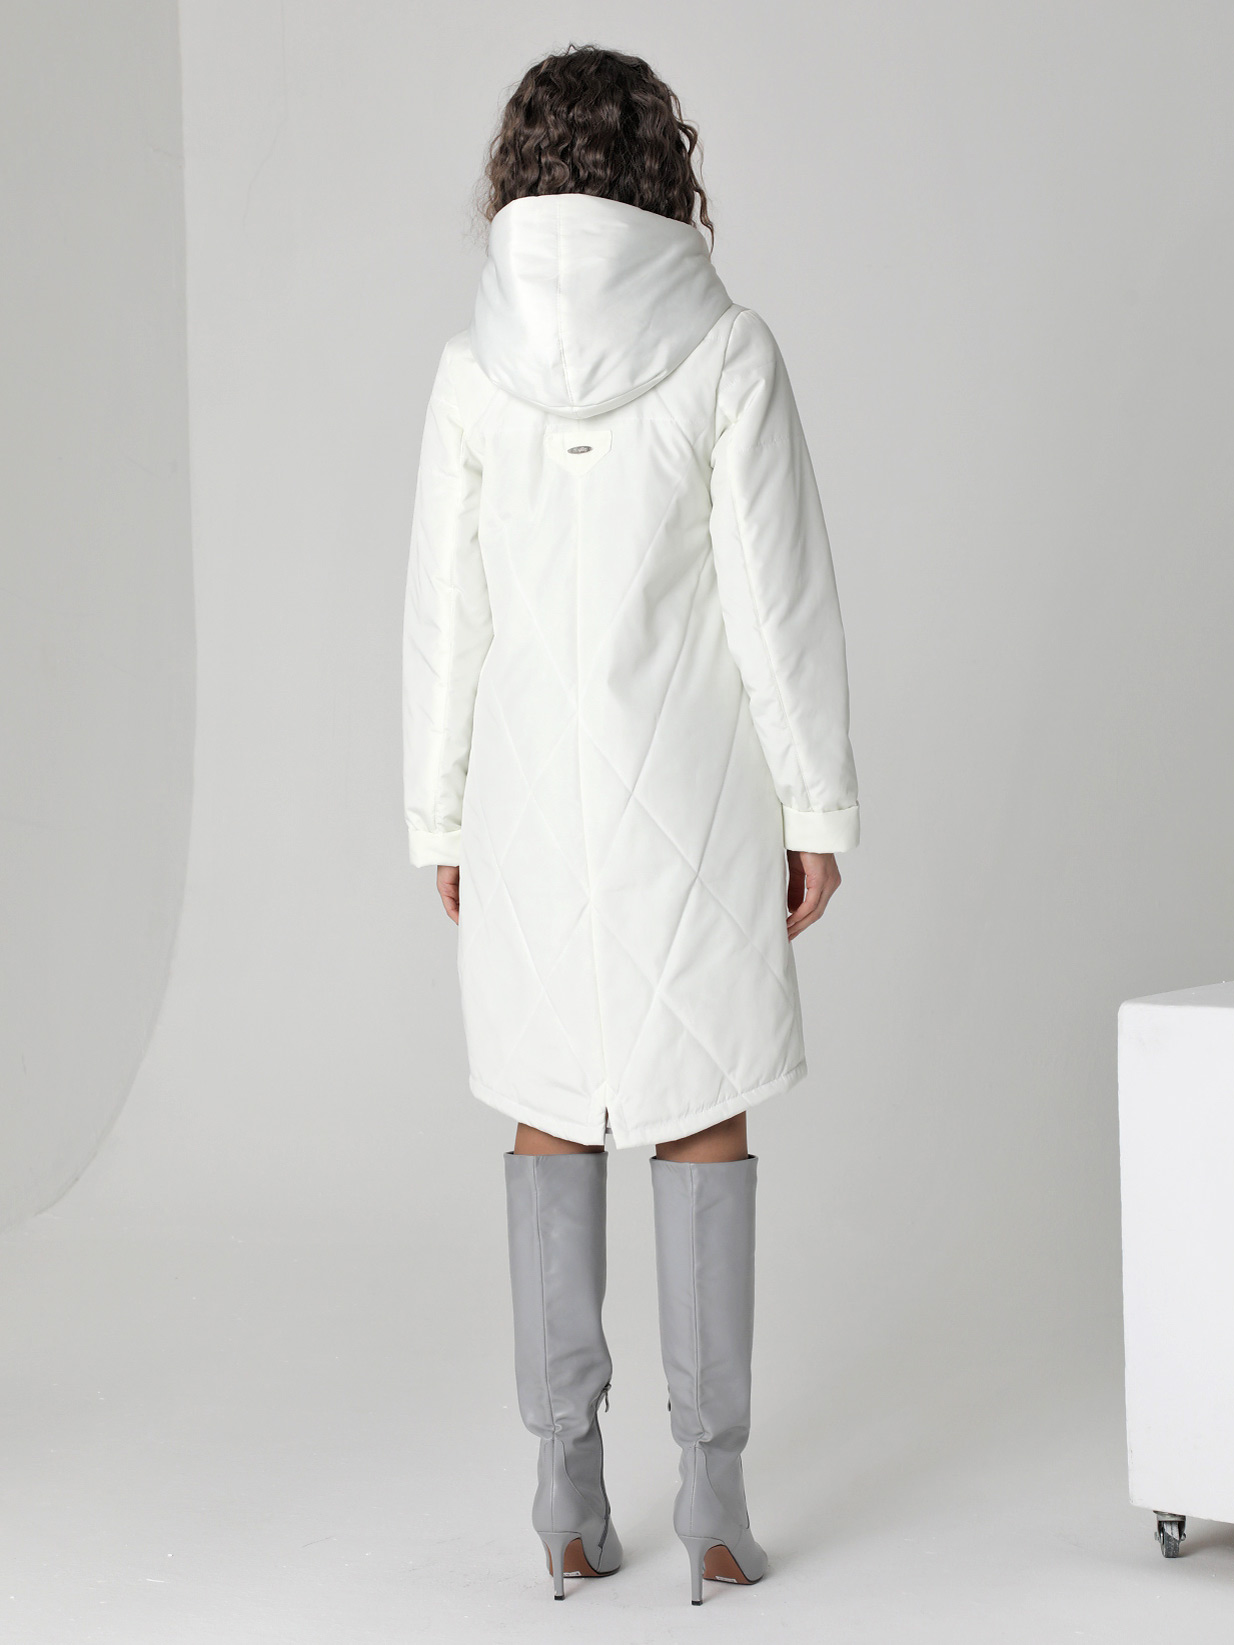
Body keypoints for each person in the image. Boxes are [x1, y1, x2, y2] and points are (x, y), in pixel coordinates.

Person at [402, 44, 859, 1605]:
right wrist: (814, 802)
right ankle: (713, 1502)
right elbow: (777, 603)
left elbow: (443, 620)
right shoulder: (725, 351)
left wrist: (439, 816)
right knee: (699, 1098)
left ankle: (566, 1491)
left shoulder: (470, 370)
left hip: (527, 801)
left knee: (548, 1098)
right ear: (664, 170)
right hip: (695, 792)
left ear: (516, 174)